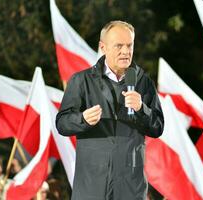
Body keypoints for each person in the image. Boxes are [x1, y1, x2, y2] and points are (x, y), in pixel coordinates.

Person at [56, 20, 164, 200]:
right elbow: (62, 123)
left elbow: (157, 127)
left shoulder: (143, 82)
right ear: (103, 47)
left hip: (130, 187)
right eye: (119, 46)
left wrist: (142, 108)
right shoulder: (81, 81)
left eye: (129, 45)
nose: (125, 51)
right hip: (92, 186)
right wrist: (82, 119)